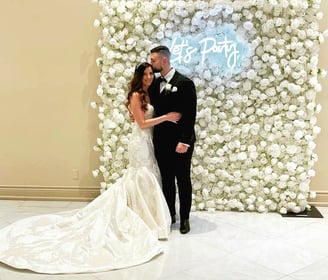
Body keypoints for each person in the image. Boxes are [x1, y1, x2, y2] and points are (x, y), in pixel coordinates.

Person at [0, 62, 181, 274]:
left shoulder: (148, 94)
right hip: (139, 142)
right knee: (141, 176)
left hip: (148, 142)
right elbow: (141, 124)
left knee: (149, 175)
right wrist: (167, 118)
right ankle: (138, 216)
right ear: (139, 76)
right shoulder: (135, 95)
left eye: (152, 73)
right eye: (146, 74)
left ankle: (146, 216)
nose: (149, 77)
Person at [149, 46, 197, 234]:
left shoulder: (184, 83)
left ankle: (185, 217)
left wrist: (184, 141)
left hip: (180, 142)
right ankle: (170, 214)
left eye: (153, 60)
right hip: (161, 141)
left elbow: (190, 114)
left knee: (183, 179)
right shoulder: (154, 84)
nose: (151, 64)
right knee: (167, 179)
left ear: (164, 61)